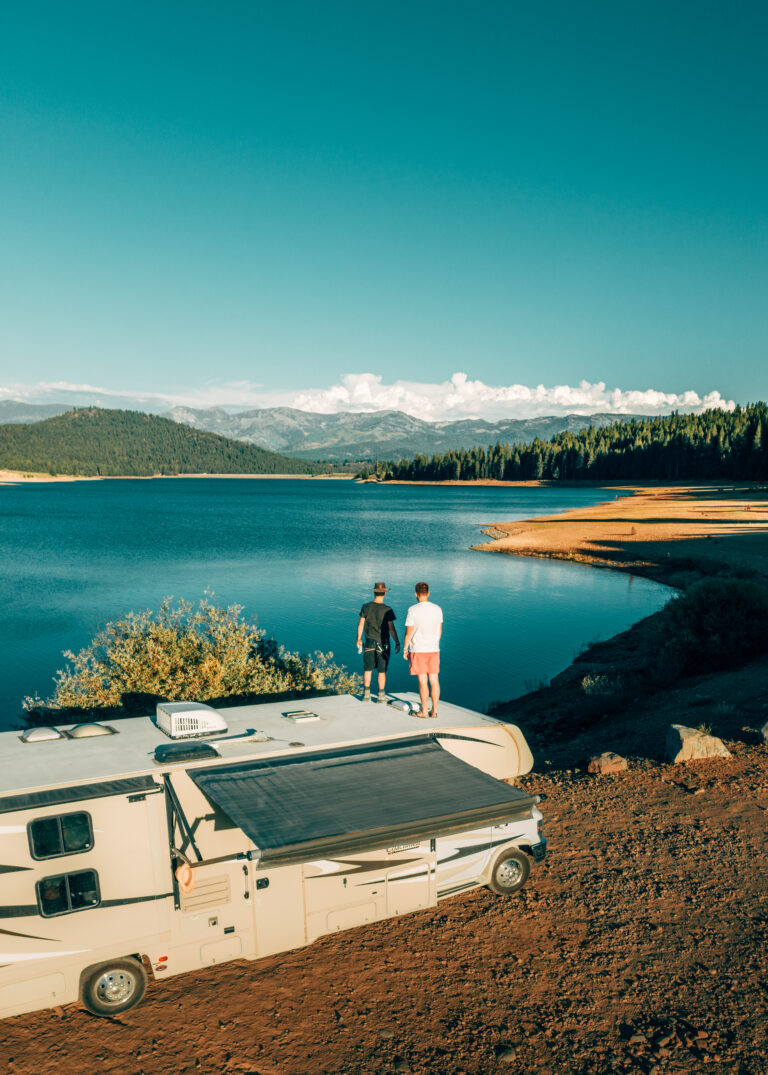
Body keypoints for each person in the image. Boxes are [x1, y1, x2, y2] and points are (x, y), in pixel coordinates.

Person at [403, 581, 443, 718]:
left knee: (422, 680)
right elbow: (439, 630)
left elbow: (409, 633)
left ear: (416, 594)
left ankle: (424, 711)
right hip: (433, 648)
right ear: (428, 593)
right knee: (434, 679)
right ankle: (435, 711)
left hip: (418, 649)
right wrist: (434, 643)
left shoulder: (412, 610)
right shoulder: (437, 609)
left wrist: (405, 649)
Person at [356, 582, 400, 702]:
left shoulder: (366, 607)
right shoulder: (388, 610)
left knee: (367, 669)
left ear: (374, 592)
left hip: (369, 643)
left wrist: (359, 639)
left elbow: (361, 625)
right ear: (385, 593)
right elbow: (391, 628)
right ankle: (381, 696)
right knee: (381, 671)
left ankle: (366, 695)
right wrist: (397, 642)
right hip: (383, 645)